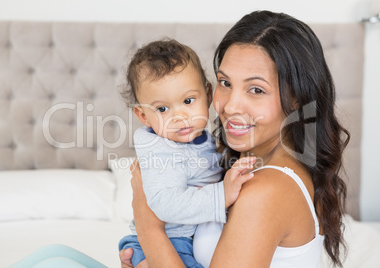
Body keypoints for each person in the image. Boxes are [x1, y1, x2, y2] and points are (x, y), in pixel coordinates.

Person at [120, 10, 349, 268]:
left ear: (296, 98)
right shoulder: (231, 160)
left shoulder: (265, 191)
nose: (230, 106)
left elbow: (157, 219)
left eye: (256, 90)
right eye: (225, 83)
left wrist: (147, 224)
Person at [118, 38, 256, 267]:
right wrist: (222, 194)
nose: (180, 117)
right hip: (173, 242)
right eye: (162, 109)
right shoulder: (161, 152)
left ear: (208, 95)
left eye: (188, 101)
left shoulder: (200, 140)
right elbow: (165, 204)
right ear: (143, 116)